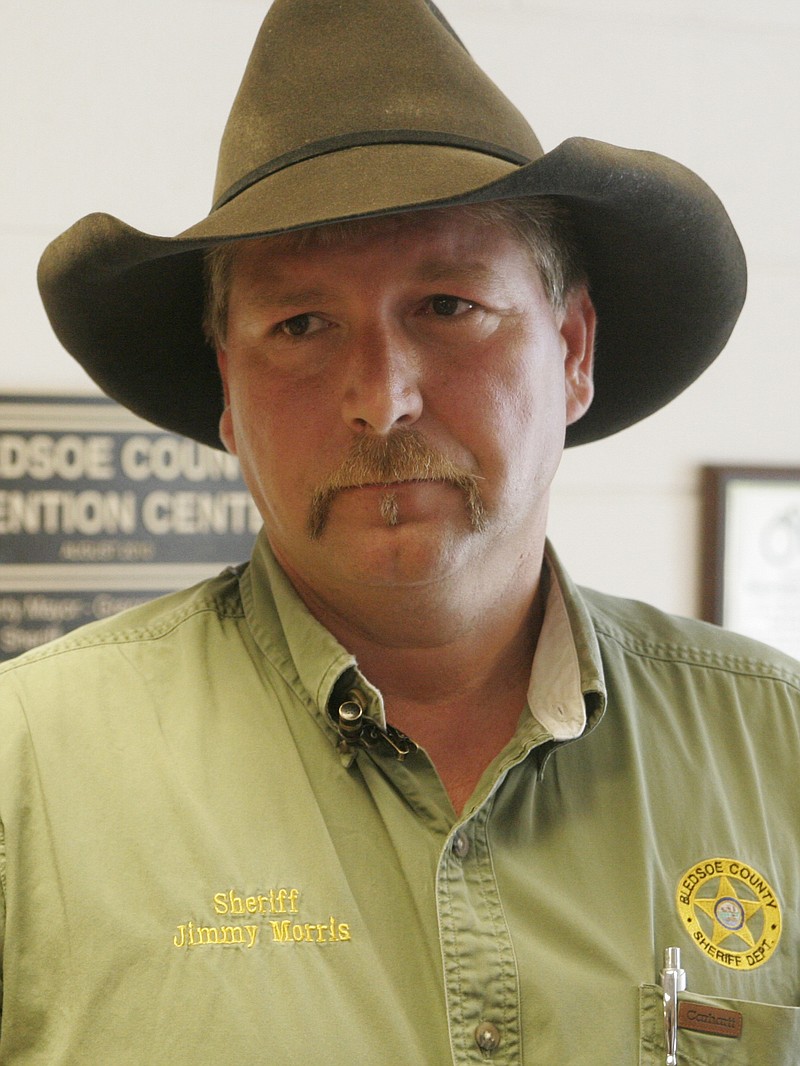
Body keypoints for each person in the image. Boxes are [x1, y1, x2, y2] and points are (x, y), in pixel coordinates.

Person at [2, 0, 798, 1062]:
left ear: (569, 348)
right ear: (226, 391)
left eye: (445, 305)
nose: (381, 401)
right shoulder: (27, 780)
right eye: (299, 324)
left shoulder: (777, 752)